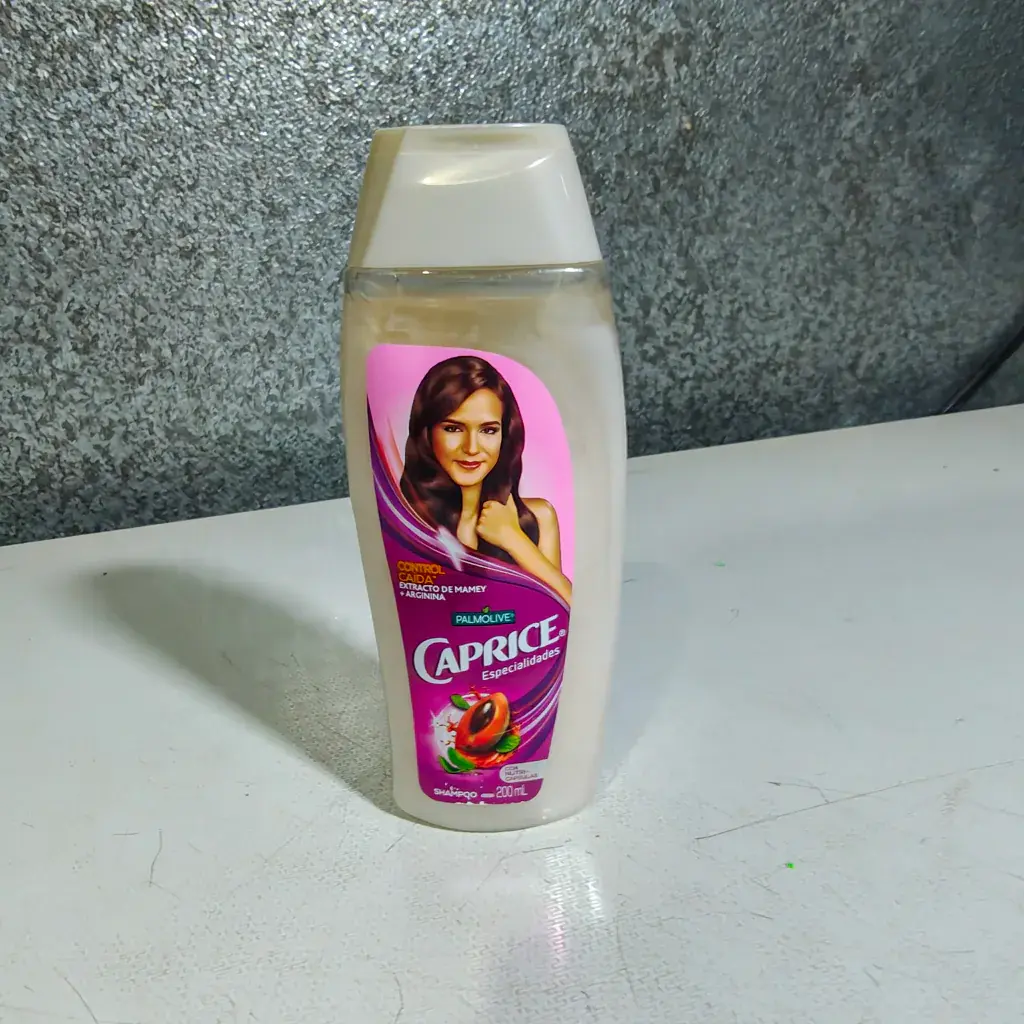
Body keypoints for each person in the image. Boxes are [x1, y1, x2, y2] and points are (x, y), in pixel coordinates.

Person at [400, 355, 572, 605]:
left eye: (488, 430)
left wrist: (512, 538)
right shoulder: (406, 521)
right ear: (427, 433)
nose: (471, 448)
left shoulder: (538, 517)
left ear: (505, 435)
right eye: (453, 428)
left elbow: (565, 607)